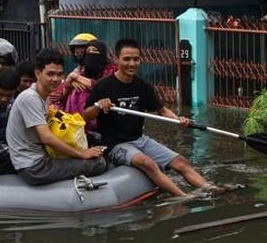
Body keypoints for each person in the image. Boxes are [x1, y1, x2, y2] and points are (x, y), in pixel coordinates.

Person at [86, 38, 213, 198]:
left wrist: (178, 119)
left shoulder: (143, 85)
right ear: (117, 59)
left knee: (181, 162)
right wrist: (98, 106)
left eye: (136, 59)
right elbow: (85, 116)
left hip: (139, 139)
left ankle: (211, 189)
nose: (132, 64)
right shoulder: (103, 86)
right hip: (115, 144)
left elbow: (162, 110)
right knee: (146, 163)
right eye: (126, 59)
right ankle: (184, 197)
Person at [6, 48, 109, 186]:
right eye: (50, 74)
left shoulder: (45, 95)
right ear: (38, 73)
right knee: (98, 164)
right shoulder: (30, 98)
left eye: (59, 74)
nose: (55, 79)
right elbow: (46, 138)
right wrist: (81, 154)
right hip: (34, 167)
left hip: (39, 157)